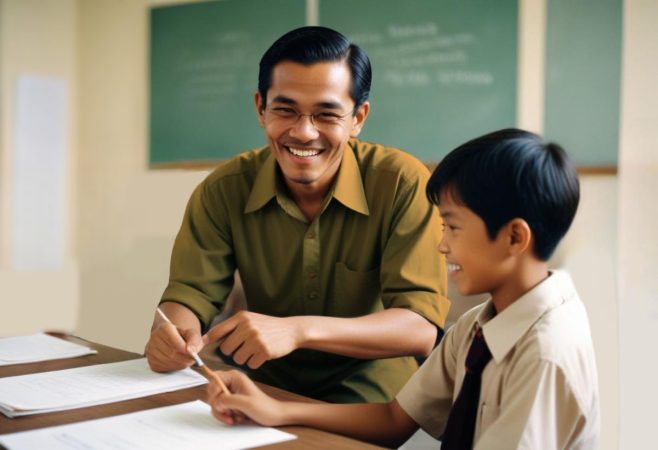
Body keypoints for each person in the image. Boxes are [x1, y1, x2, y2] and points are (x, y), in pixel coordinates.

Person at [206, 129, 601, 450]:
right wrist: (277, 410)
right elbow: (395, 420)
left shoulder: (545, 355)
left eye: (453, 226)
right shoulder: (476, 327)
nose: (442, 245)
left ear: (515, 237)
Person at [145, 26, 450, 403]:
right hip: (262, 381)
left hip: (371, 387)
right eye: (285, 110)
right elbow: (190, 292)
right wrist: (174, 334)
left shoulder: (403, 183)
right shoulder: (223, 189)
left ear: (358, 117)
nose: (304, 132)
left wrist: (299, 331)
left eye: (326, 114)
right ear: (260, 108)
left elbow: (420, 327)